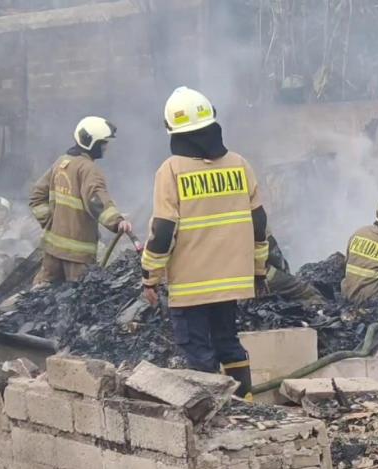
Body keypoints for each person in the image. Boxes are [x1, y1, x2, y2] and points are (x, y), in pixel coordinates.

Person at [140, 86, 269, 398]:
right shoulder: (239, 164)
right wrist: (259, 270)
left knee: (198, 351)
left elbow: (163, 230)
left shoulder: (171, 171)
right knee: (228, 342)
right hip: (230, 280)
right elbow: (259, 223)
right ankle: (245, 405)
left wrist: (150, 277)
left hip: (191, 286)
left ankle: (216, 411)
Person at [29, 116, 131, 285]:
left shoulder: (61, 162)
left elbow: (36, 196)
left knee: (40, 297)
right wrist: (117, 221)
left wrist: (51, 223)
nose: (106, 147)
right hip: (77, 256)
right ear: (92, 143)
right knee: (76, 301)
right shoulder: (89, 169)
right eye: (103, 142)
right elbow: (95, 199)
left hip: (52, 251)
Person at [264, 230, 325, 304]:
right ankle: (320, 310)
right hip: (259, 275)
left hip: (256, 272)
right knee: (308, 293)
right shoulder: (255, 222)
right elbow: (275, 259)